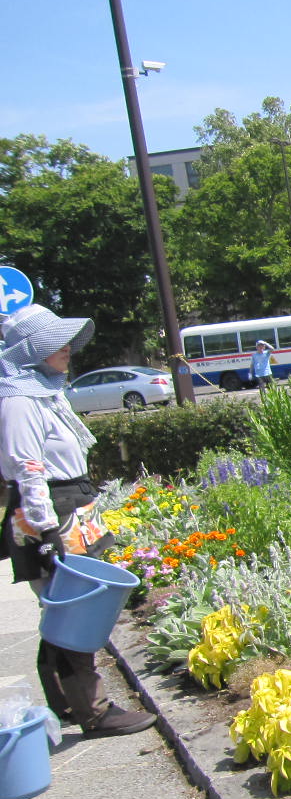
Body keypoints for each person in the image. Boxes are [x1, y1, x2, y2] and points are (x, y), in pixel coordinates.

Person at [0, 304, 156, 736]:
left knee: (64, 608)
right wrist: (47, 533)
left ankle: (68, 704)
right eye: (55, 343)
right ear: (32, 350)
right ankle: (94, 710)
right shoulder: (19, 401)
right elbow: (28, 468)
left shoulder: (40, 393)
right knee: (72, 610)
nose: (67, 349)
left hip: (67, 507)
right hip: (50, 513)